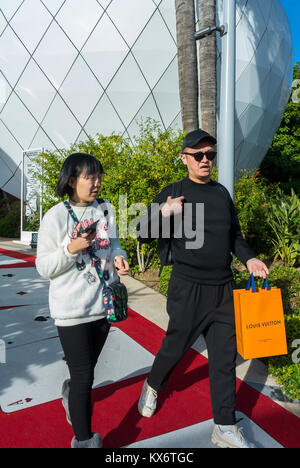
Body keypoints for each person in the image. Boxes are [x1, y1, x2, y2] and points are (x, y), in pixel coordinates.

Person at [137, 129, 269, 449]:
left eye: (210, 154)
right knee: (175, 346)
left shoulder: (222, 194)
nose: (206, 160)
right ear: (184, 159)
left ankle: (224, 426)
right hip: (188, 287)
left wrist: (249, 259)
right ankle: (153, 384)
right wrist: (161, 214)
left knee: (223, 358)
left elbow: (234, 237)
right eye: (198, 155)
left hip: (223, 287)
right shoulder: (173, 193)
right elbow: (141, 232)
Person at [36, 153, 129, 448]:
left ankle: (70, 392)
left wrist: (119, 256)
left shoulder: (105, 209)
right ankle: (85, 440)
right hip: (72, 312)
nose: (97, 183)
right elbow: (43, 267)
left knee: (86, 370)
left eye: (99, 176)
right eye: (90, 177)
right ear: (72, 180)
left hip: (104, 306)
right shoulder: (55, 216)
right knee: (84, 377)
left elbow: (113, 243)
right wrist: (70, 249)